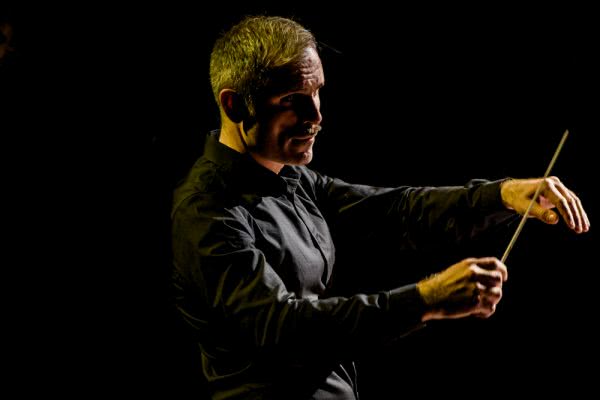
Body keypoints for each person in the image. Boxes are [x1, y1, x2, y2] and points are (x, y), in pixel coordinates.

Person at [170, 15, 590, 399]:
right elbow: (285, 329)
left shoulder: (292, 178)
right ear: (234, 104)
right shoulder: (206, 212)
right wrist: (426, 299)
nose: (316, 115)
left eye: (317, 93)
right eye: (292, 99)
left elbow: (394, 211)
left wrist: (502, 195)